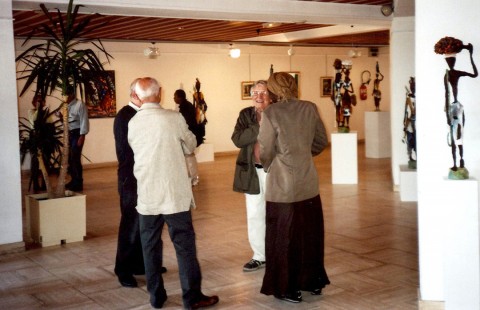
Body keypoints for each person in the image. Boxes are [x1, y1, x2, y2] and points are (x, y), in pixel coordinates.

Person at [128, 77, 219, 309]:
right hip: (174, 194)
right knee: (184, 246)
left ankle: (156, 297)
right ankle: (192, 298)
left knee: (150, 247)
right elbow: (190, 145)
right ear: (159, 94)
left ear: (138, 96)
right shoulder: (173, 117)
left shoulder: (134, 122)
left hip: (148, 194)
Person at [258, 72, 330, 303]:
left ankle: (288, 288)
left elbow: (266, 149)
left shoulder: (271, 113)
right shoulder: (310, 107)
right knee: (310, 235)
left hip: (282, 187)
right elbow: (320, 141)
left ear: (273, 90)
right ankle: (312, 282)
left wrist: (268, 165)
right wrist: (302, 156)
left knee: (284, 238)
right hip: (308, 183)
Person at [113, 79, 166, 289]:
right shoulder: (125, 115)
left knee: (147, 223)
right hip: (132, 180)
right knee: (131, 226)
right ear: (135, 95)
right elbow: (126, 153)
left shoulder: (143, 115)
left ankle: (140, 264)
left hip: (148, 177)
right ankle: (123, 269)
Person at [231, 80, 273, 272]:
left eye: (263, 92)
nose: (259, 96)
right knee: (255, 213)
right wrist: (259, 126)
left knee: (278, 212)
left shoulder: (278, 113)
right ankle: (259, 256)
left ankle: (278, 251)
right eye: (255, 92)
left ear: (270, 95)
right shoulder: (245, 115)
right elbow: (238, 139)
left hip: (275, 171)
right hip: (251, 171)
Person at [434, 37, 478, 175]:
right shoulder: (447, 74)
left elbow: (475, 74)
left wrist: (470, 55)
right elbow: (446, 94)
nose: (451, 62)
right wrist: (446, 110)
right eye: (449, 60)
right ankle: (455, 162)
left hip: (457, 106)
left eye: (452, 60)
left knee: (460, 135)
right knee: (454, 136)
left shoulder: (455, 73)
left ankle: (461, 160)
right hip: (452, 107)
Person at [174, 89, 200, 186]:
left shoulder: (185, 107)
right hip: (188, 134)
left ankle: (194, 178)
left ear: (179, 97)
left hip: (188, 135)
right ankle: (192, 177)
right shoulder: (186, 106)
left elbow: (186, 123)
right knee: (188, 157)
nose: (173, 98)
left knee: (189, 157)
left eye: (175, 96)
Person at [65, 87, 89, 191]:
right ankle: (73, 180)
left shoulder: (80, 104)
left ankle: (79, 182)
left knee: (75, 158)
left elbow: (84, 120)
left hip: (77, 133)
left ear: (72, 95)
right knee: (71, 158)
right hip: (69, 133)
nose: (65, 98)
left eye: (67, 95)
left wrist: (82, 136)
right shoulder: (66, 105)